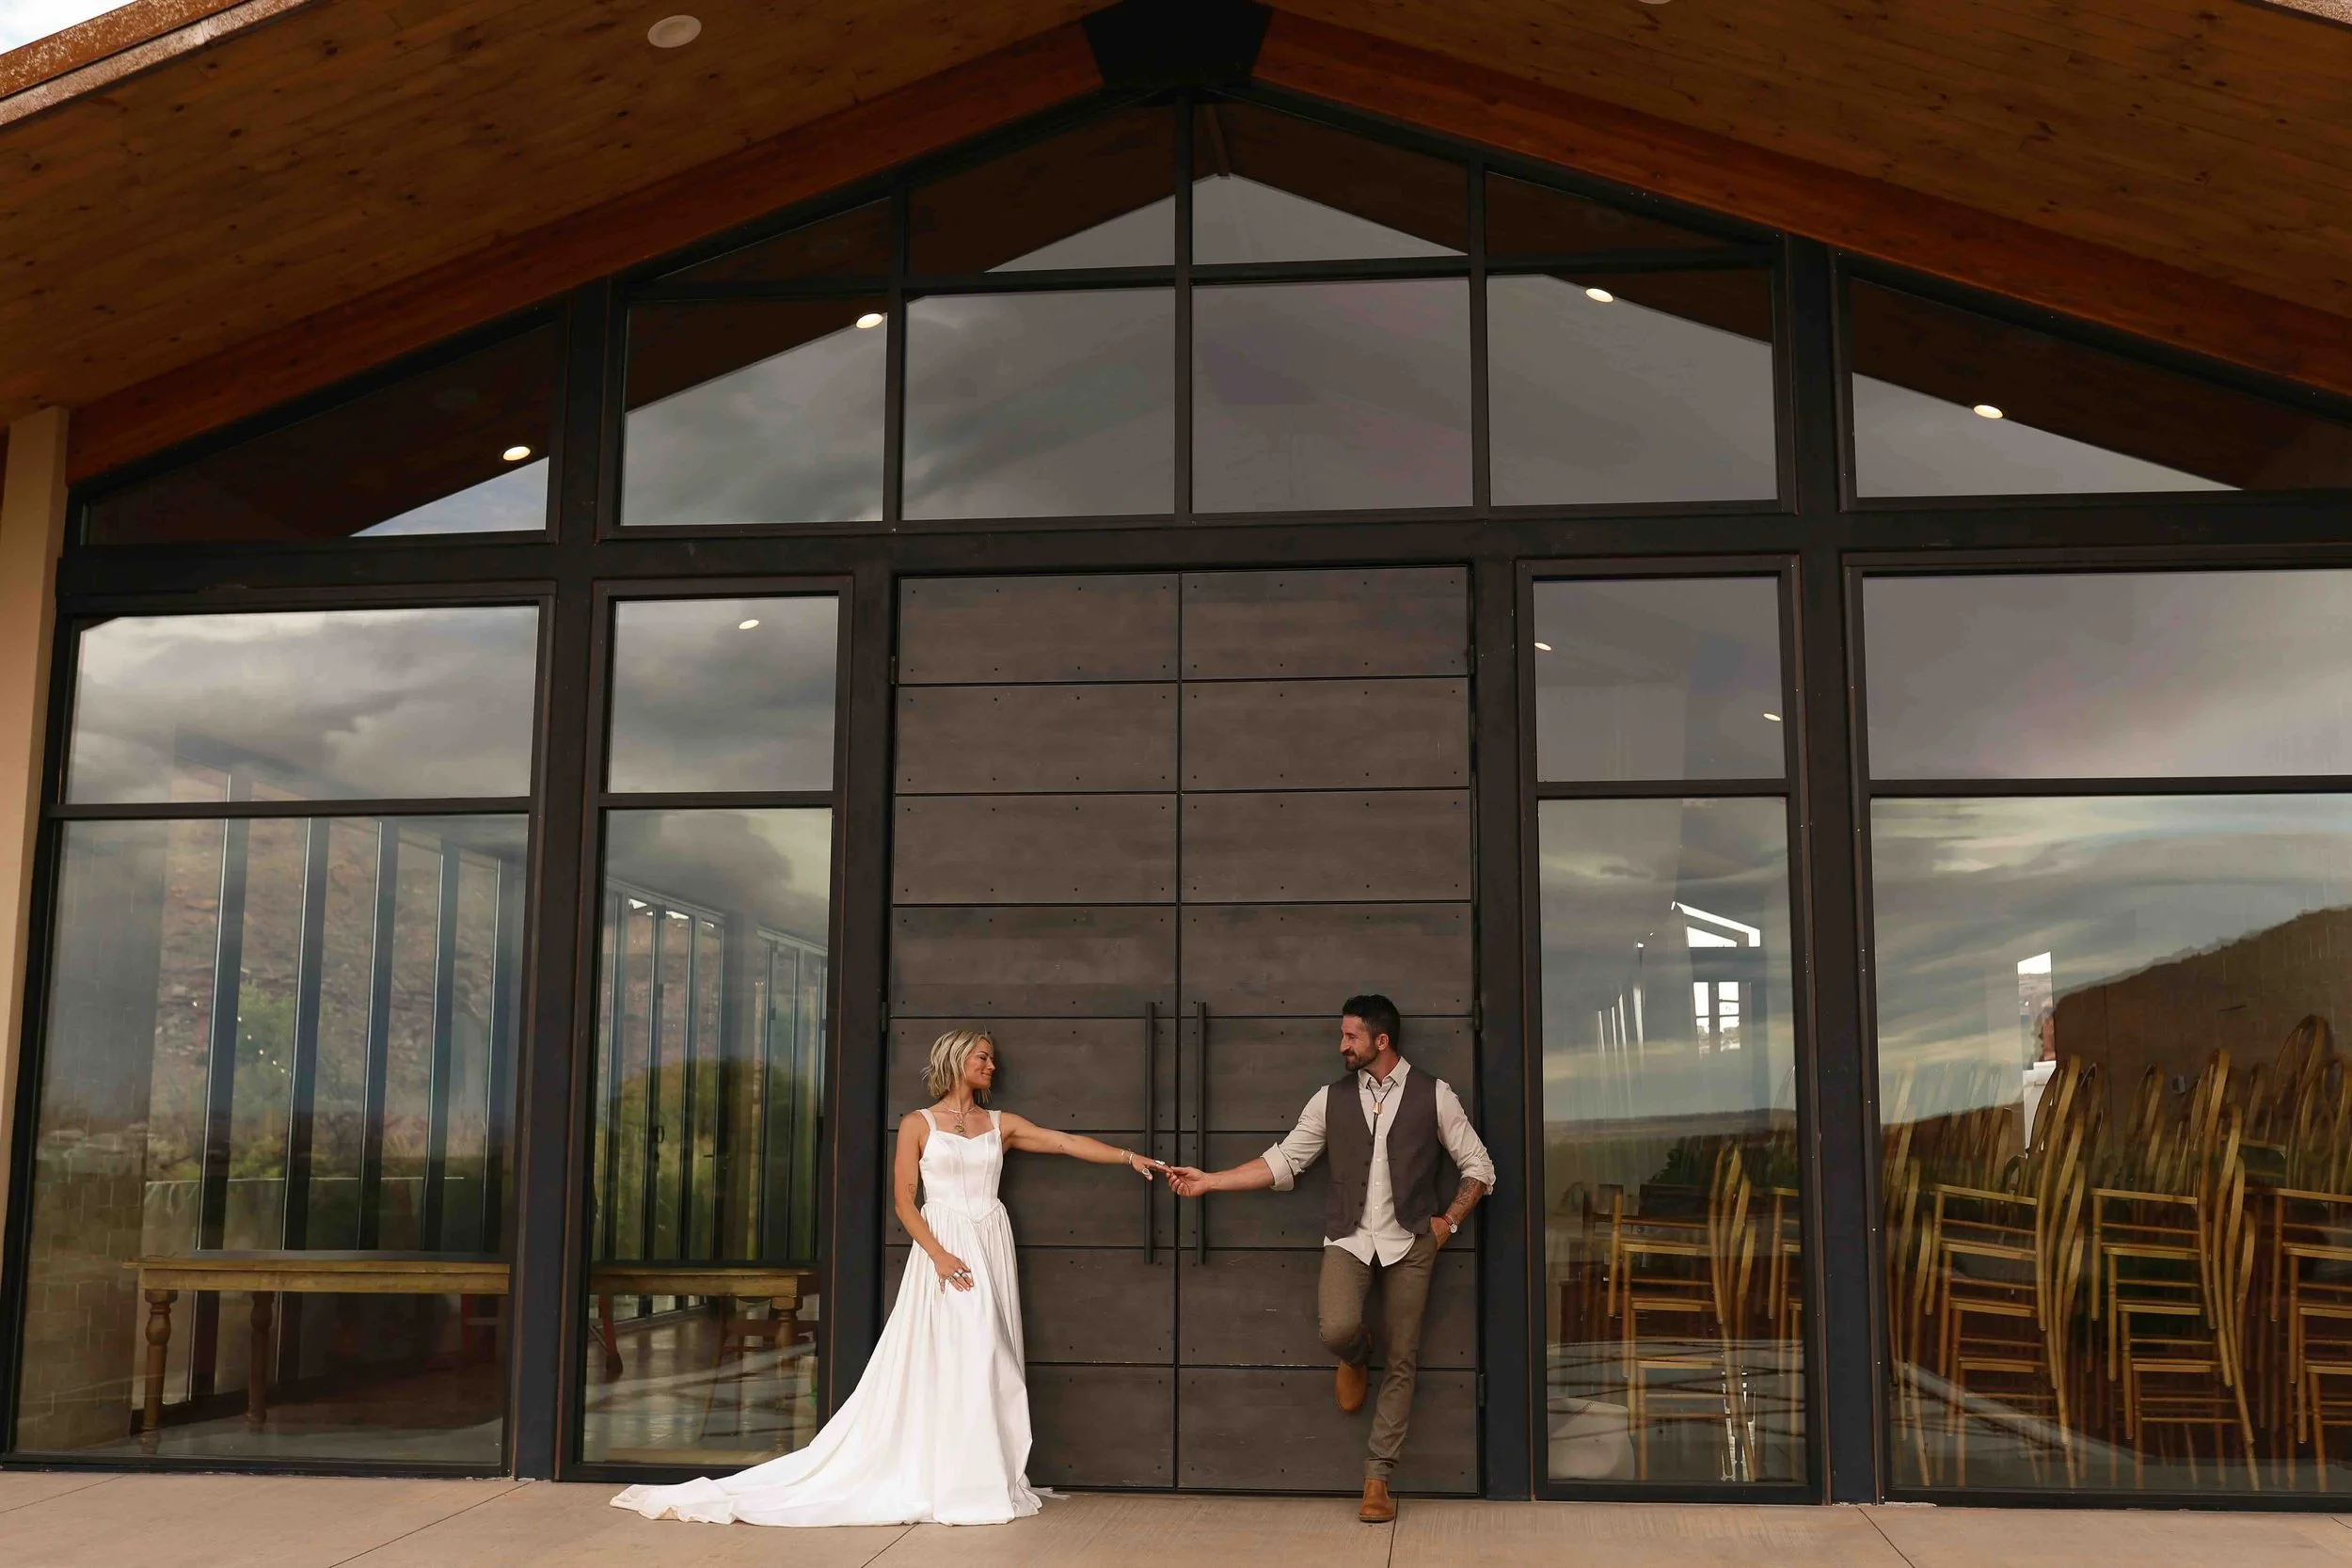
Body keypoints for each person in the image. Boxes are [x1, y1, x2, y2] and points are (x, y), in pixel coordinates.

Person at [611, 1026, 1161, 1527]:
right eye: (983, 1057)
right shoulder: (918, 1124)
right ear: (955, 1061)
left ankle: (980, 1472)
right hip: (942, 1244)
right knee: (958, 1351)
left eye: (992, 1059)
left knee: (991, 1355)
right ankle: (950, 1476)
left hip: (991, 1239)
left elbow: (1064, 1141)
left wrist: (1127, 1156)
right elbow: (903, 1200)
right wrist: (940, 1255)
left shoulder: (1002, 1124)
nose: (992, 1066)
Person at [1165, 994, 1494, 1524]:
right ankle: (1355, 1354)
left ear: (1380, 1041)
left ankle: (1377, 1477)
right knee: (1337, 1329)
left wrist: (1448, 1222)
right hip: (1348, 1238)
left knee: (1405, 1357)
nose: (1341, 1045)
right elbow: (1285, 1160)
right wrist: (1210, 1182)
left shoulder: (1436, 1096)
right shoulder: (1330, 1099)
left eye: (1351, 1036)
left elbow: (1478, 1165)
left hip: (1412, 1242)